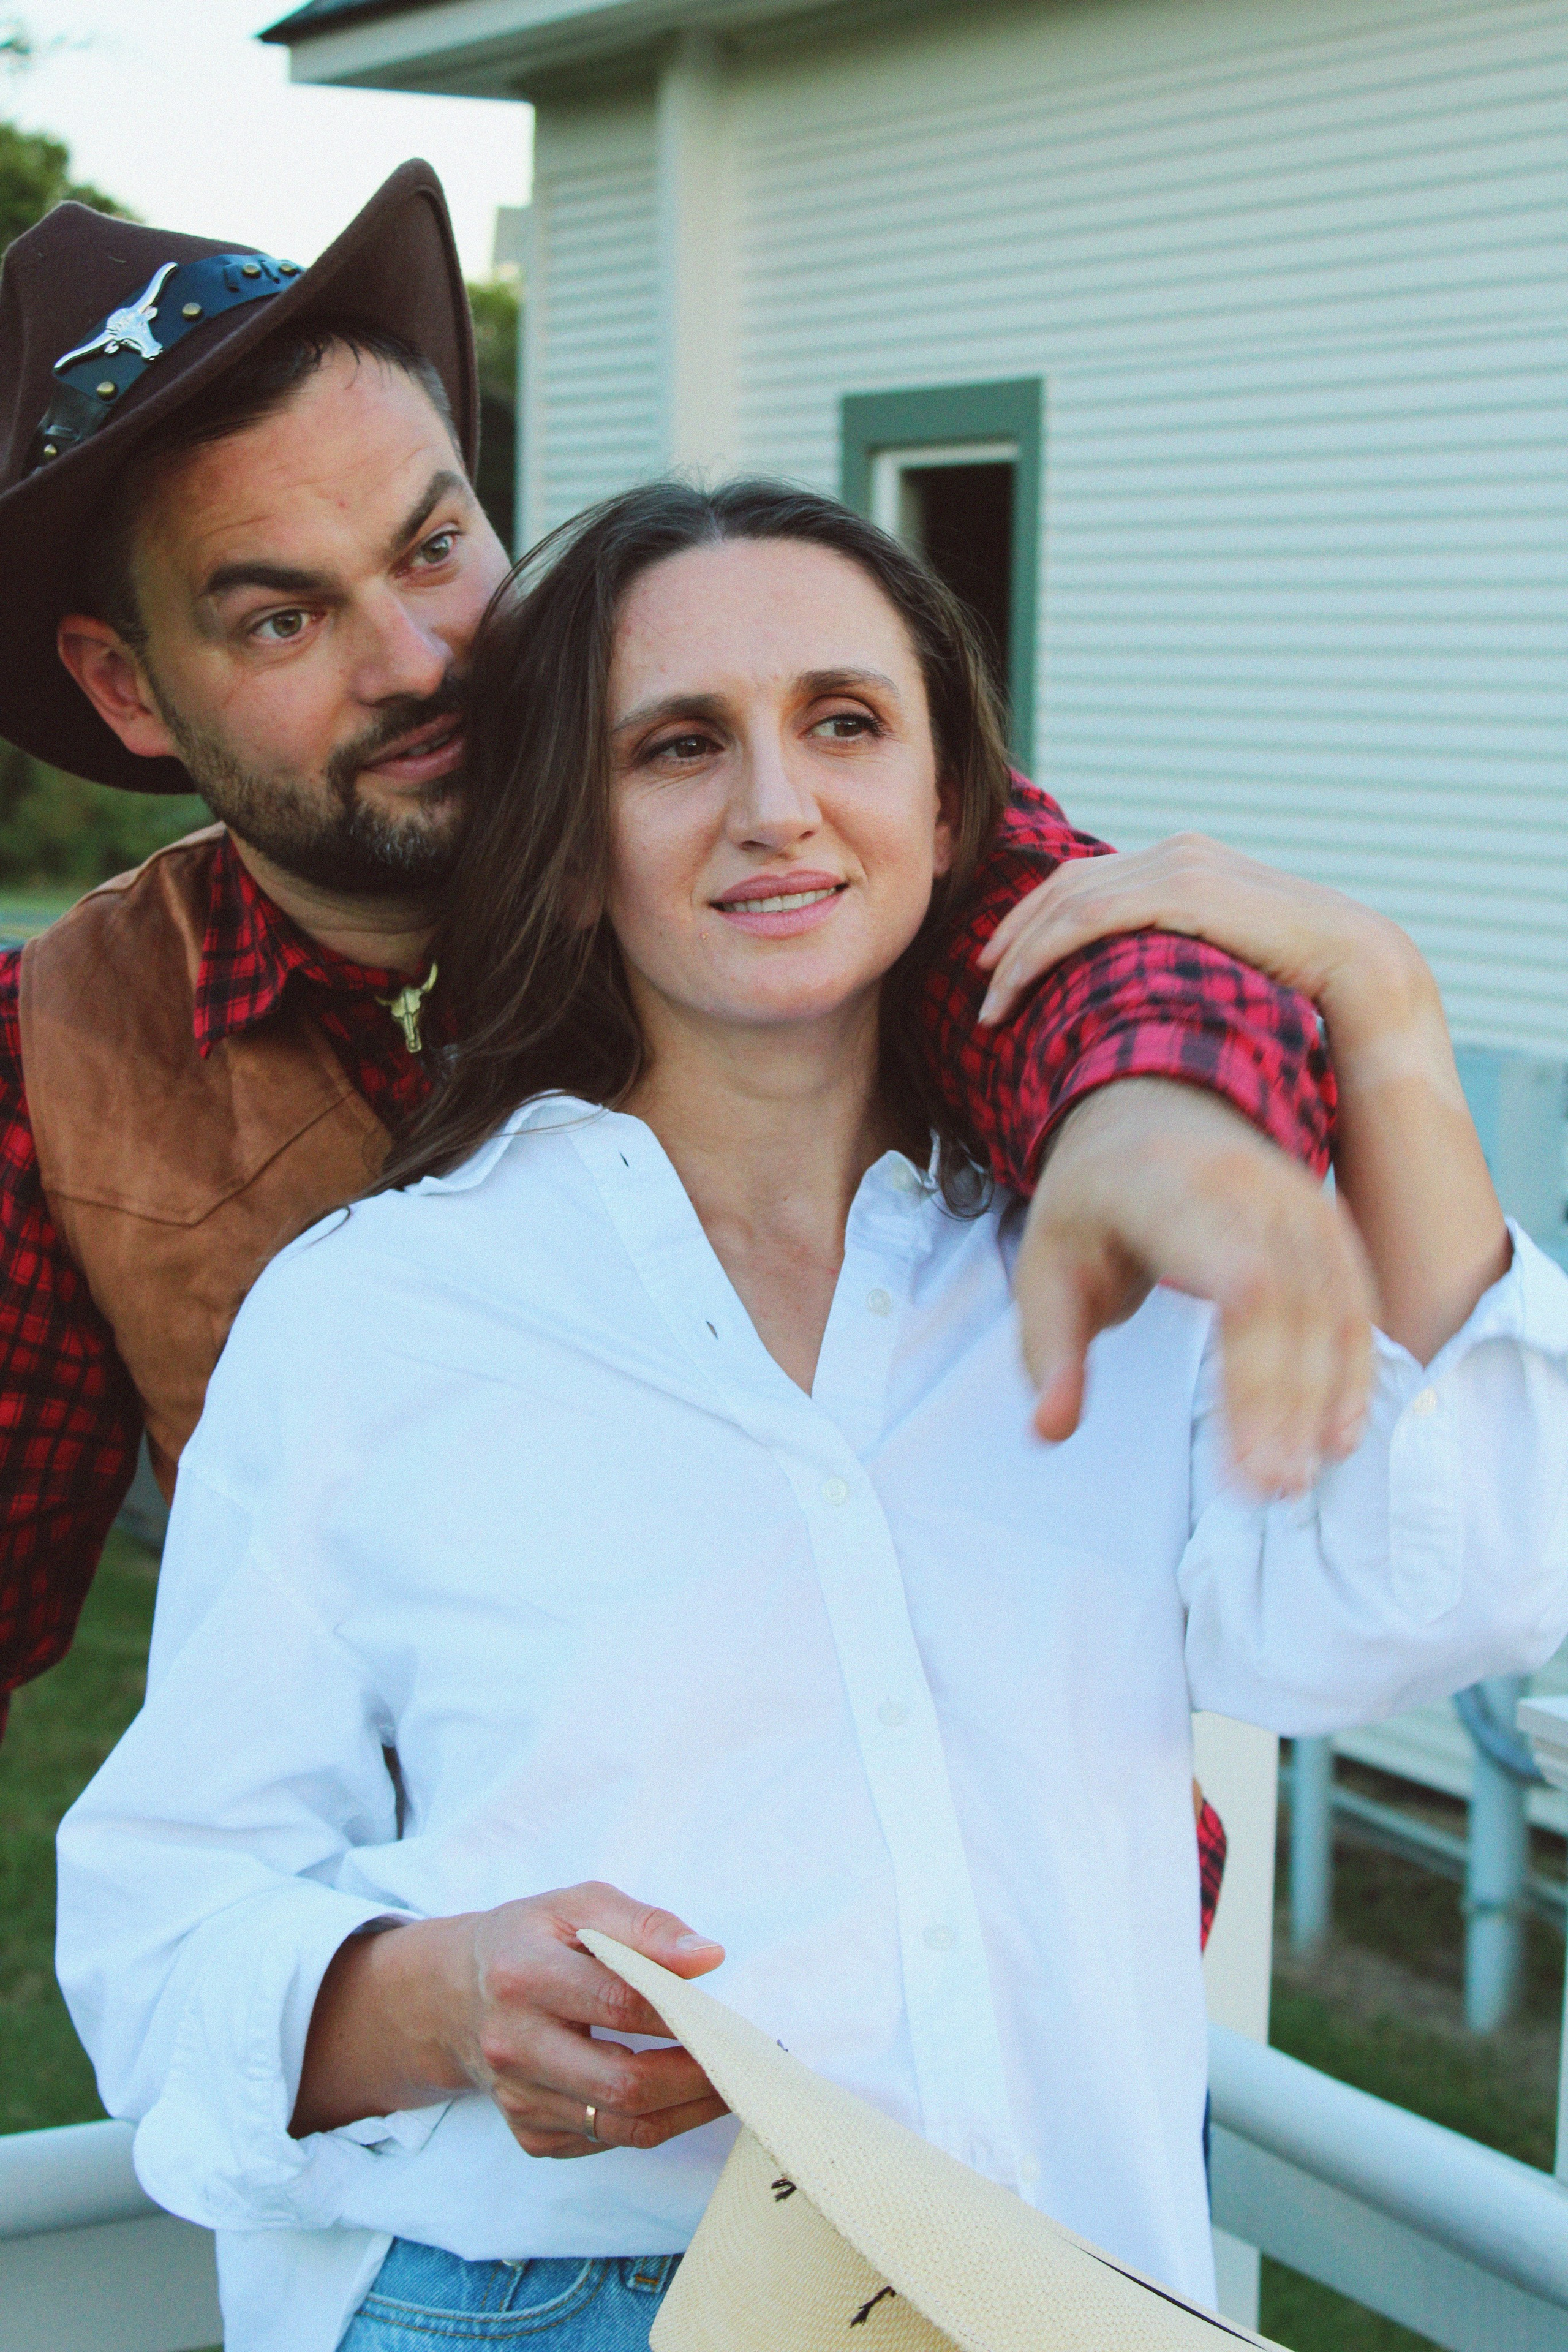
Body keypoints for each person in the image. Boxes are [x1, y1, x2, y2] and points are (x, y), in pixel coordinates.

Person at [56, 480, 1568, 2352]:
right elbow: (157, 1933)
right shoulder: (378, 1314)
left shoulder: (1096, 1268)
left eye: (843, 723)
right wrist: (443, 1999)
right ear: (568, 831)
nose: (776, 807)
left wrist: (1388, 1011)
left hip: (1060, 2296)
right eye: (678, 746)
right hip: (547, 2297)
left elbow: (1461, 1588)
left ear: (947, 811)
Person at [0, 167, 1369, 1754]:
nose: (422, 659)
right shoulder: (66, 1061)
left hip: (999, 1935)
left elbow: (1092, 959)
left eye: (436, 546)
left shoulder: (757, 850)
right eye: (282, 621)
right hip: (451, 1969)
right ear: (129, 692)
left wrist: (1155, 1116)